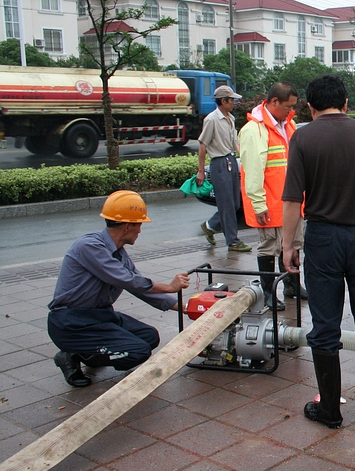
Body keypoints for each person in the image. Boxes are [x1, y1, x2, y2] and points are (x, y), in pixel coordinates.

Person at [281, 75, 355, 428]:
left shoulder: (302, 137)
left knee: (325, 325)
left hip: (321, 240)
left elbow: (292, 199)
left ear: (310, 106)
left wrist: (289, 245)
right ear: (346, 103)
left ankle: (330, 410)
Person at [47, 191, 190, 387]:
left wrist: (187, 307)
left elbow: (140, 287)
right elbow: (127, 280)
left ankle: (89, 351)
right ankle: (74, 353)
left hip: (101, 315)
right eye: (139, 224)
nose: (140, 230)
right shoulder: (90, 246)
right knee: (137, 352)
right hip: (72, 322)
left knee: (149, 337)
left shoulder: (120, 254)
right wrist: (169, 287)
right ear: (128, 225)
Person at [239, 82, 305, 311]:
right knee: (269, 246)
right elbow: (253, 171)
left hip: (290, 201)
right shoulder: (254, 130)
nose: (291, 111)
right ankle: (268, 292)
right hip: (269, 202)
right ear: (274, 102)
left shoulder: (289, 125)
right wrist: (258, 204)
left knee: (294, 243)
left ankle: (292, 285)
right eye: (288, 106)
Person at [197, 85, 251, 252]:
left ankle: (210, 226)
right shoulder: (212, 119)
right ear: (223, 101)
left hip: (231, 160)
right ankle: (233, 241)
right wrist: (200, 170)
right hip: (219, 163)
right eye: (231, 100)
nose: (234, 102)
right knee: (227, 205)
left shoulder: (231, 118)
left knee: (234, 204)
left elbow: (235, 144)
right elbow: (202, 145)